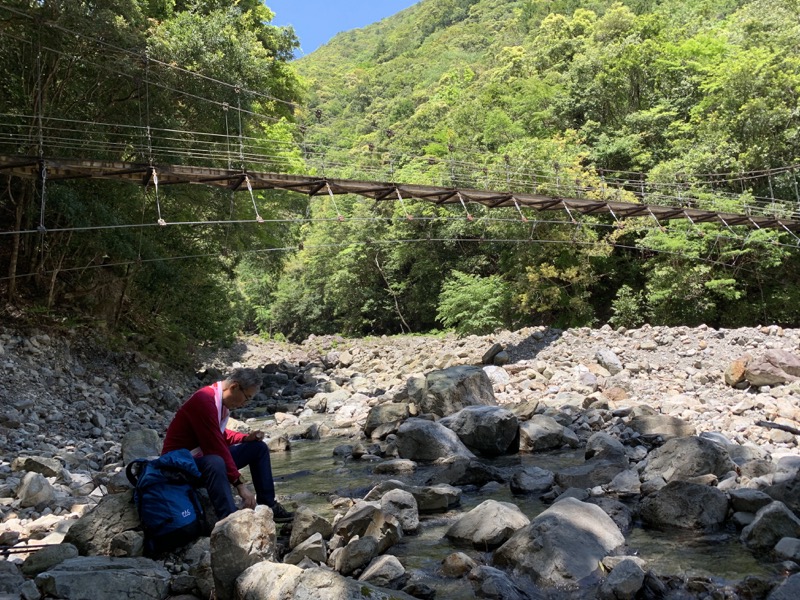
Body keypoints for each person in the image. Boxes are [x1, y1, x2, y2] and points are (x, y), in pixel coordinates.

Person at [161, 367, 294, 523]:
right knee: (216, 461)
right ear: (234, 387)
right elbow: (215, 446)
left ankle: (268, 506)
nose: (245, 403)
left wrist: (245, 439)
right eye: (247, 398)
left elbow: (219, 434)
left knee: (258, 448)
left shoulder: (219, 403)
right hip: (178, 468)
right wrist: (239, 484)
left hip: (196, 461)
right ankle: (230, 520)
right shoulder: (204, 400)